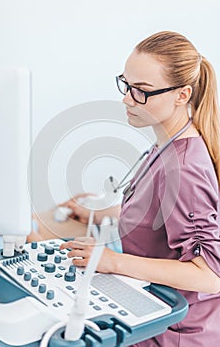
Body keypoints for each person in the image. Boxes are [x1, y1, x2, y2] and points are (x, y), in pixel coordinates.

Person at [59, 31, 220, 346]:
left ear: (182, 95)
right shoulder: (166, 144)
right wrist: (100, 212)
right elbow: (159, 211)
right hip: (155, 309)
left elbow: (209, 274)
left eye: (141, 91)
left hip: (178, 331)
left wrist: (110, 261)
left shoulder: (184, 168)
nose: (127, 99)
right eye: (126, 85)